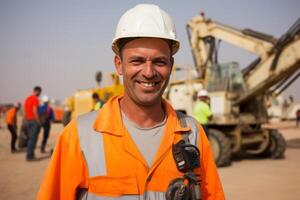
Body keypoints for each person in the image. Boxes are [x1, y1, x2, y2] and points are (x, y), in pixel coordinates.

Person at [38, 4, 224, 200]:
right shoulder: (78, 136)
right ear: (119, 65)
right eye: (137, 61)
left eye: (159, 62)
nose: (148, 72)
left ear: (170, 66)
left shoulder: (192, 134)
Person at [24, 86, 42, 161]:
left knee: (30, 138)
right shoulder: (35, 99)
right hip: (34, 121)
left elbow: (24, 109)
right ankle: (30, 156)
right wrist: (39, 122)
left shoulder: (27, 98)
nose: (40, 94)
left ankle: (30, 154)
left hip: (28, 121)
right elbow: (35, 110)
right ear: (37, 91)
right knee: (33, 139)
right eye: (40, 92)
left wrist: (26, 119)